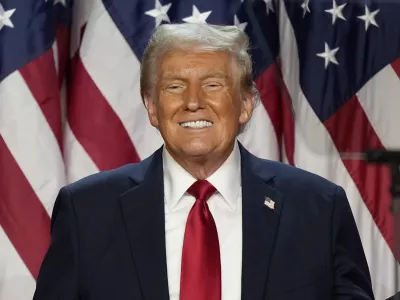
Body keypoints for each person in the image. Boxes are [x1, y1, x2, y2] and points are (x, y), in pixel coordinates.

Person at [33, 23, 375, 300]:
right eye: (174, 86)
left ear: (245, 104)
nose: (193, 102)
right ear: (152, 107)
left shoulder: (318, 208)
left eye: (213, 85)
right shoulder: (88, 210)